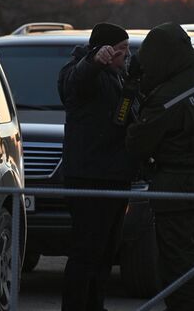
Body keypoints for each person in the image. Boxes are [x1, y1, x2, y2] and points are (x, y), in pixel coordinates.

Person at [125, 22, 194, 311]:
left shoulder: (165, 100)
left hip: (177, 189)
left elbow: (135, 142)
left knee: (178, 272)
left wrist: (133, 88)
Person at [57, 22, 137, 311]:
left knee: (106, 252)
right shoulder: (80, 70)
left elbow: (122, 117)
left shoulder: (119, 77)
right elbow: (76, 83)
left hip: (115, 177)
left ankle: (95, 305)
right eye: (121, 51)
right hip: (89, 178)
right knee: (86, 252)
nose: (126, 56)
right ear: (103, 50)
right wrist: (93, 62)